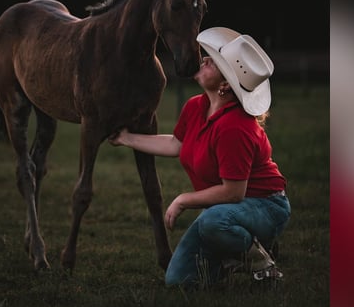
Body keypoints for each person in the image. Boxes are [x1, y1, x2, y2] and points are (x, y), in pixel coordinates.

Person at [109, 27, 291, 289]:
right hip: (226, 210)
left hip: (265, 207)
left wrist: (183, 200)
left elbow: (233, 192)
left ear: (225, 84)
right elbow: (176, 145)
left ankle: (261, 261)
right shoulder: (196, 106)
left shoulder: (235, 127)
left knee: (212, 222)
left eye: (212, 62)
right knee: (179, 280)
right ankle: (236, 256)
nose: (203, 59)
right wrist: (126, 138)